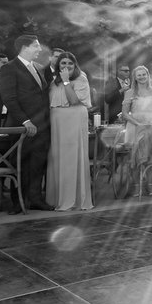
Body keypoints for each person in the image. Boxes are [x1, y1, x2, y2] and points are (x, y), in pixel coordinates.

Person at [0, 34, 54, 211]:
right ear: (24, 47)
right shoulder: (9, 68)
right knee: (21, 163)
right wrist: (25, 120)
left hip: (42, 125)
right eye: (36, 46)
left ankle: (36, 199)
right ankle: (18, 202)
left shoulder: (37, 68)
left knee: (38, 164)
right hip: (22, 126)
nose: (39, 49)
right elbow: (9, 98)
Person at [45, 51, 93, 211]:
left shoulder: (81, 78)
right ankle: (56, 198)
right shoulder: (53, 81)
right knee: (57, 157)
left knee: (72, 157)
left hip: (74, 118)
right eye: (63, 63)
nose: (66, 66)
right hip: (57, 120)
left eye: (70, 63)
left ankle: (74, 199)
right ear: (58, 65)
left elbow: (73, 100)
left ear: (75, 64)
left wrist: (66, 82)